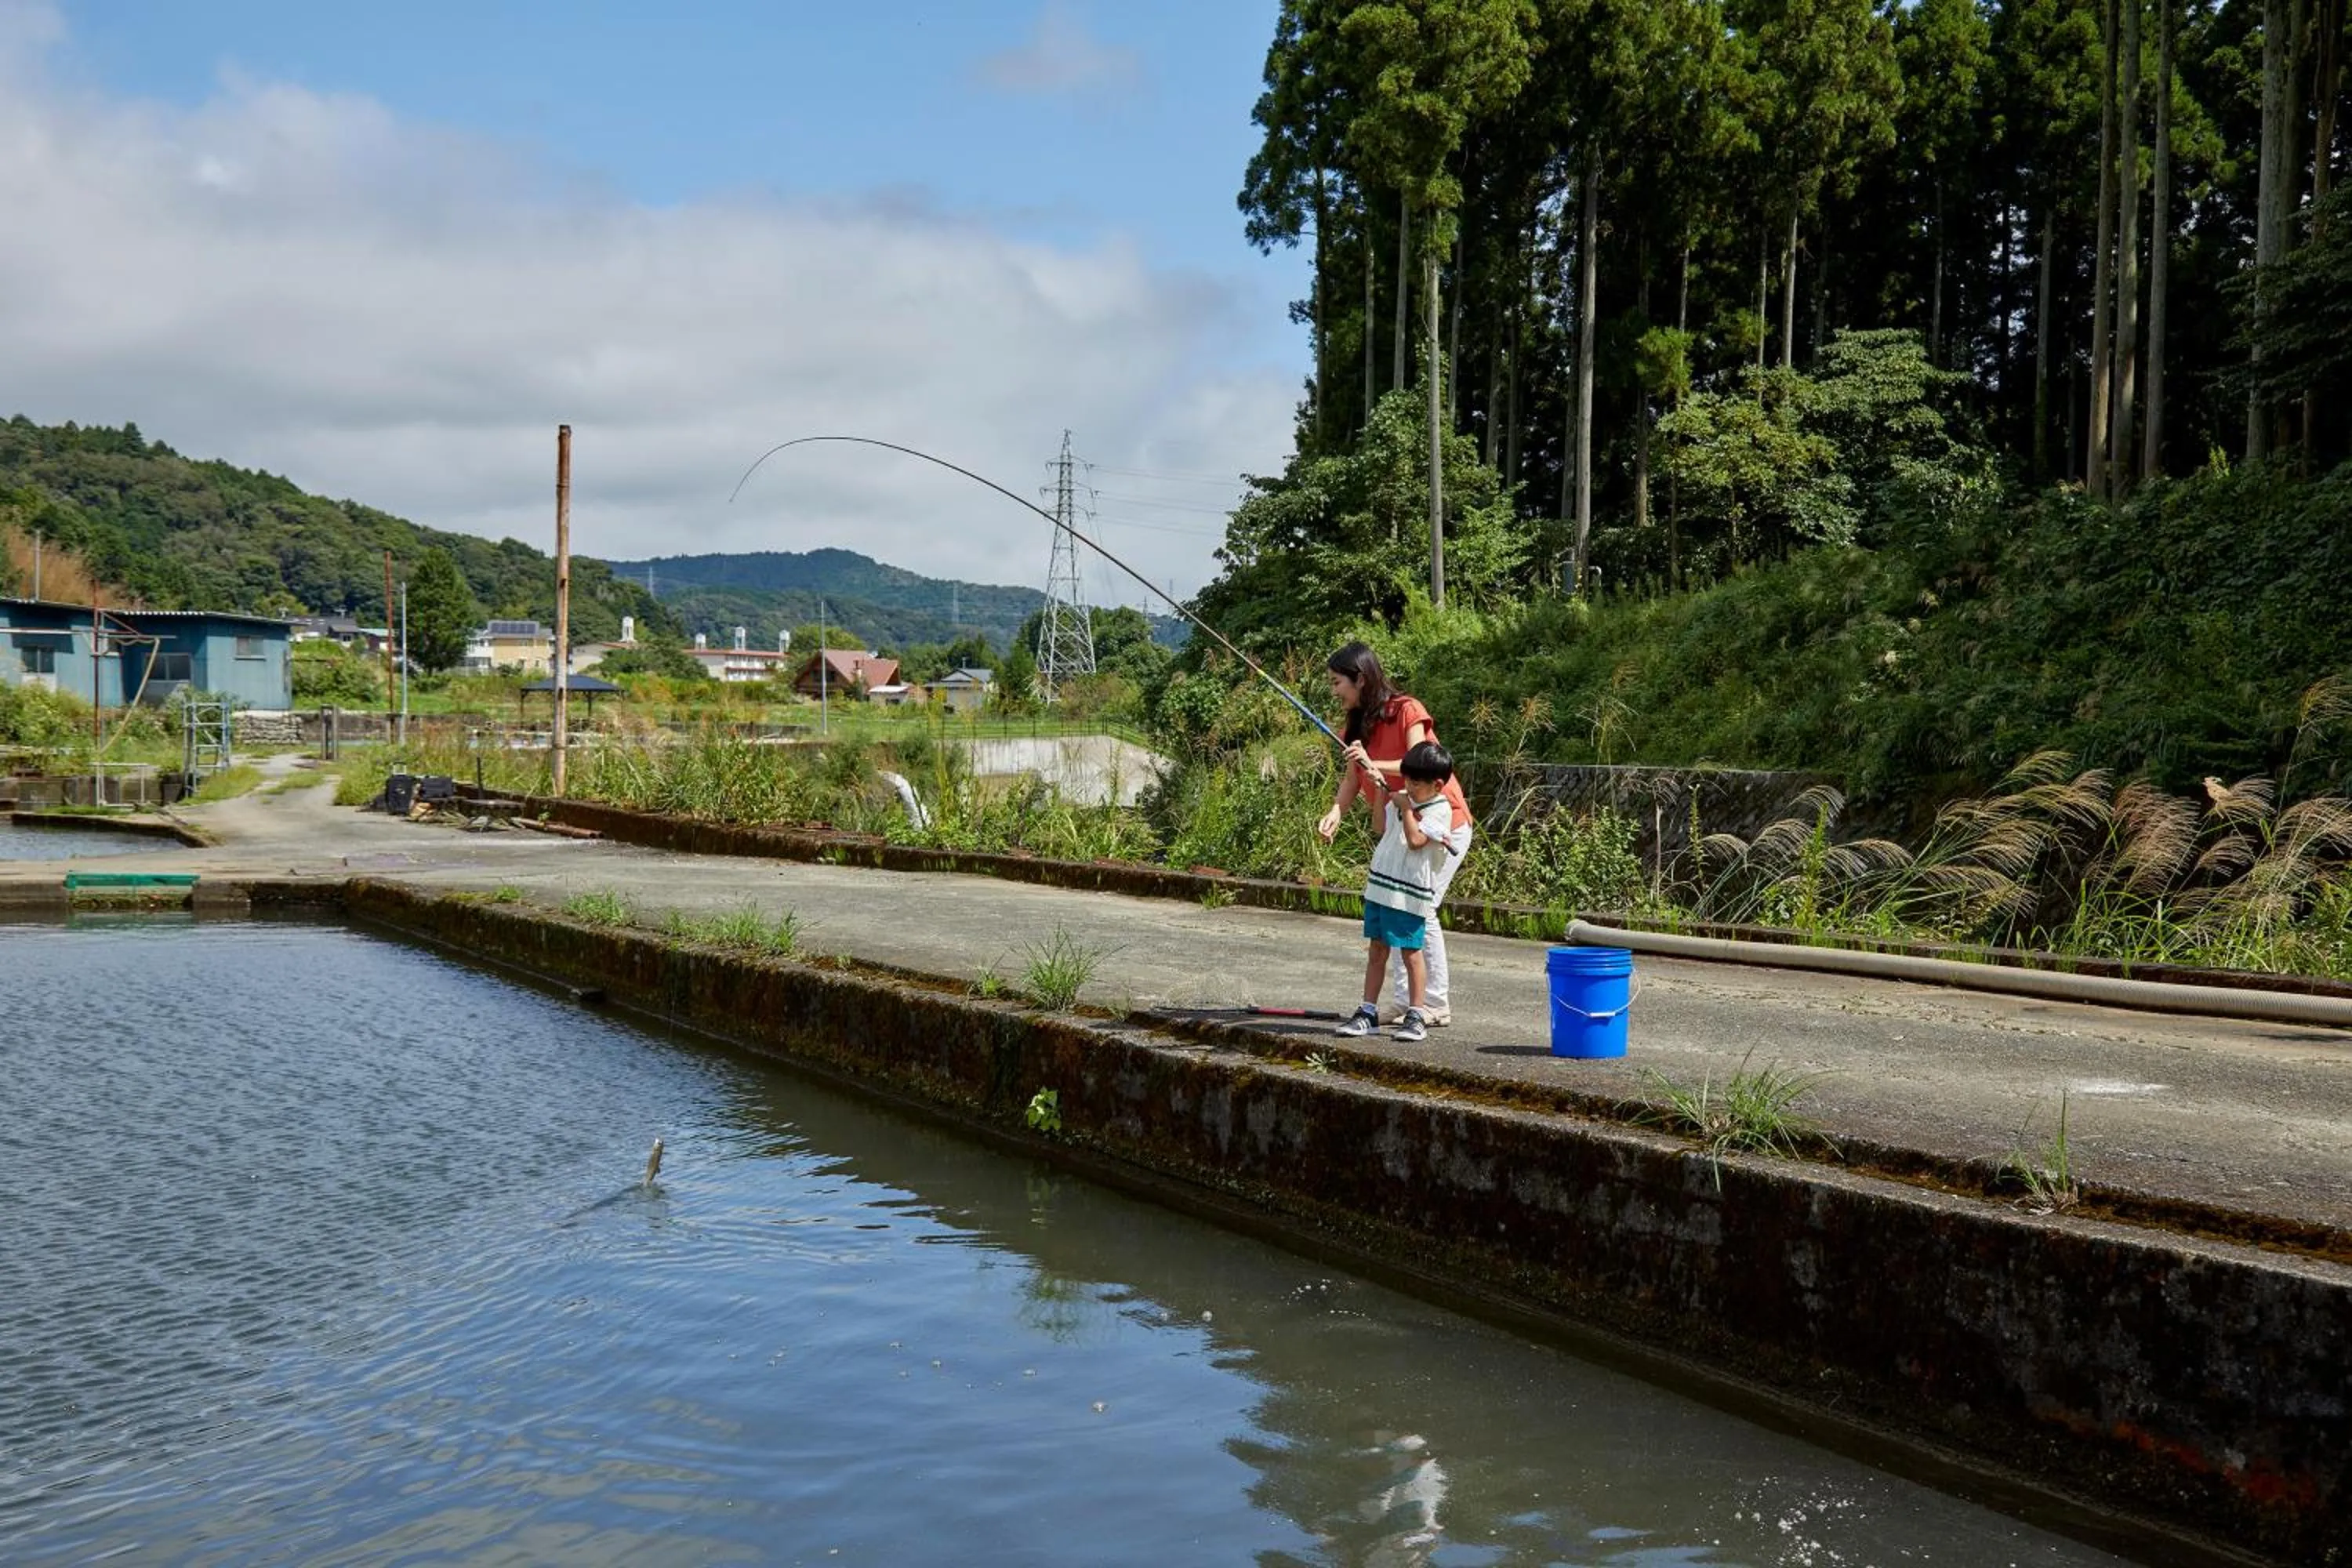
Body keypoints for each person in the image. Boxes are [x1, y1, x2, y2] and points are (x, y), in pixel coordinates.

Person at [1316, 642, 1474, 1025]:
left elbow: (1416, 764)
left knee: (1420, 909)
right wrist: (1337, 809)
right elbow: (1353, 777)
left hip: (1440, 824)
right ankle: (1407, 1003)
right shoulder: (1356, 725)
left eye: (1339, 683)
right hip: (1400, 828)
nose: (1335, 691)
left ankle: (1433, 1004)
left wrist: (1373, 763)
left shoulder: (1408, 710)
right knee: (1398, 908)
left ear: (1361, 678)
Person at [1335, 741, 1455, 1042]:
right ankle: (1367, 1012)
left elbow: (1416, 842)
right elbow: (1379, 826)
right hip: (1381, 888)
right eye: (1406, 780)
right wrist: (1382, 795)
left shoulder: (1440, 810)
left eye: (1416, 782)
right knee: (1377, 950)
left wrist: (1406, 808)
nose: (1409, 787)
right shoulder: (1402, 799)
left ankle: (1416, 1015)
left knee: (1411, 953)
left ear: (1437, 785)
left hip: (1409, 894)